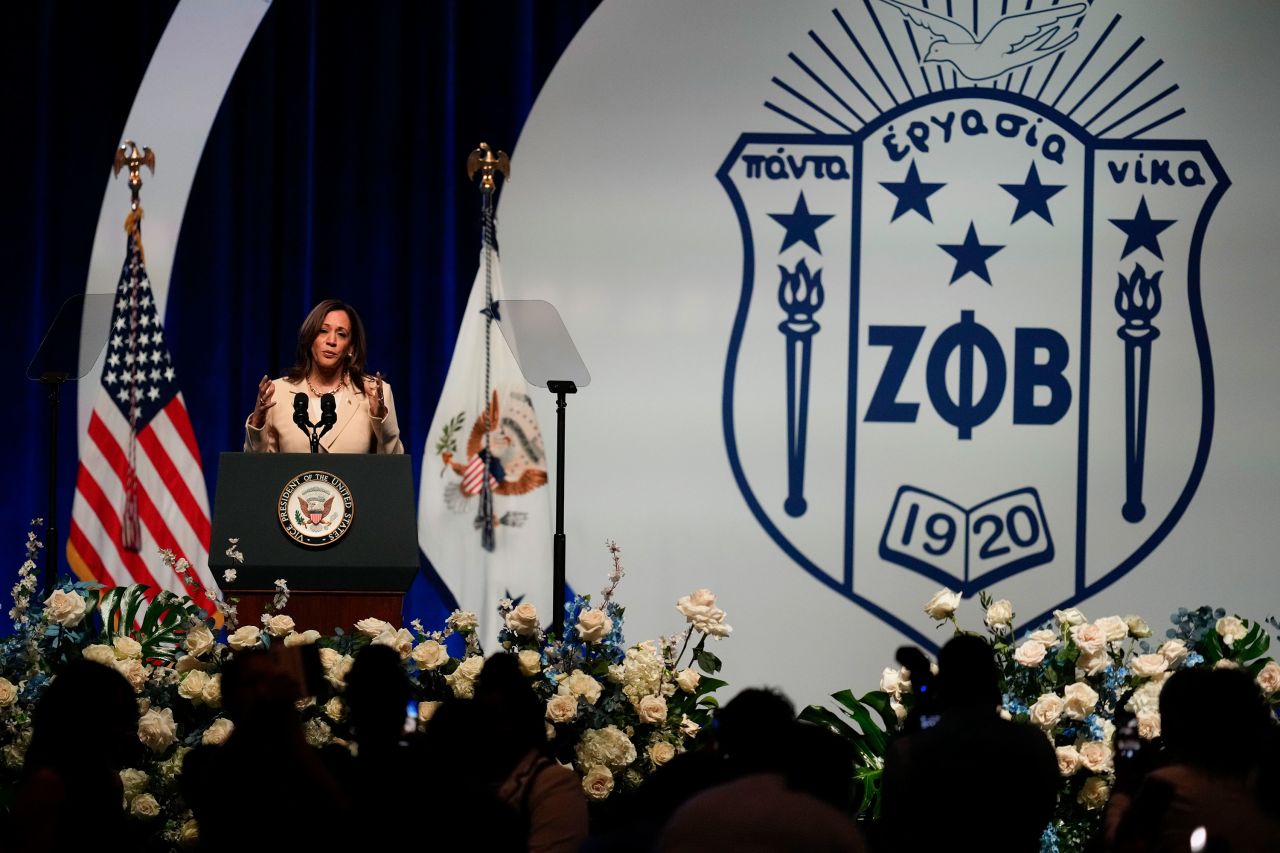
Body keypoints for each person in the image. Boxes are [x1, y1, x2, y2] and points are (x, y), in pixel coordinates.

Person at [879, 635, 1058, 853]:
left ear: (943, 684)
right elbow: (1043, 810)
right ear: (993, 682)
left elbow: (893, 828)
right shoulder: (1032, 744)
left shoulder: (911, 752)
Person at [245, 299, 403, 453]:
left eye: (341, 334)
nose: (331, 341)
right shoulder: (277, 392)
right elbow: (258, 471)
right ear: (310, 338)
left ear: (351, 348)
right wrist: (257, 423)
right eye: (323, 331)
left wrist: (380, 418)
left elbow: (392, 468)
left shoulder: (373, 393)